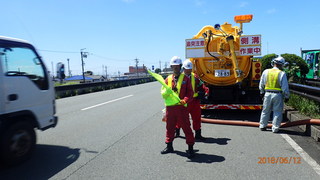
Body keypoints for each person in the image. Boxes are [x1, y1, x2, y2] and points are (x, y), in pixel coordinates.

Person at [160, 56, 195, 158]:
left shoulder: (185, 79)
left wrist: (185, 100)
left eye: (177, 66)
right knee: (169, 128)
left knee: (186, 128)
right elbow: (163, 93)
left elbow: (190, 92)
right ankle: (169, 146)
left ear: (180, 67)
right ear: (171, 67)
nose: (175, 68)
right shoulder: (167, 79)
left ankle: (190, 149)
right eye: (174, 66)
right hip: (170, 108)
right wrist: (167, 92)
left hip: (181, 108)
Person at [175, 59, 208, 141]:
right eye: (187, 69)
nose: (189, 70)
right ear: (183, 68)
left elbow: (201, 85)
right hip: (184, 102)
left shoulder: (195, 77)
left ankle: (198, 134)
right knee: (180, 118)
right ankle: (177, 132)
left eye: (190, 69)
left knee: (196, 118)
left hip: (194, 101)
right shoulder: (179, 77)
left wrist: (206, 90)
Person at [259, 56, 290, 133]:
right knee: (277, 112)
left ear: (274, 63)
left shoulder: (266, 71)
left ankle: (262, 125)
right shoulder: (282, 73)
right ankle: (275, 128)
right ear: (281, 64)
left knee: (265, 110)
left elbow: (261, 84)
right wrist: (286, 96)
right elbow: (285, 87)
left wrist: (262, 92)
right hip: (277, 95)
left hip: (267, 94)